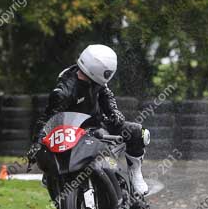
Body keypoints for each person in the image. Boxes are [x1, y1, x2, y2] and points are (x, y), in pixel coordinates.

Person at [29, 44, 149, 195]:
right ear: (99, 69)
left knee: (139, 132)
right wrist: (38, 142)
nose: (108, 76)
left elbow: (106, 94)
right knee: (50, 161)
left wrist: (113, 112)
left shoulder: (96, 82)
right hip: (71, 133)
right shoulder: (64, 91)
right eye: (107, 72)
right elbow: (47, 118)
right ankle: (53, 175)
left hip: (97, 125)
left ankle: (135, 174)